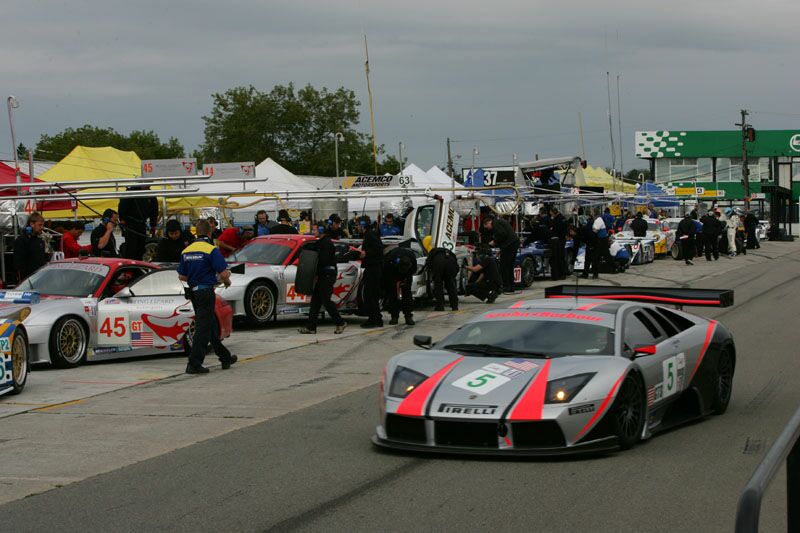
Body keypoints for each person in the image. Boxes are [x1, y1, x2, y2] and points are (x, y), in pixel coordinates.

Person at [177, 219, 236, 374]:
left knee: (208, 326)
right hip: (206, 293)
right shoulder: (211, 250)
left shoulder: (186, 250)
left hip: (194, 293)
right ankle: (194, 364)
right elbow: (223, 273)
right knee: (203, 329)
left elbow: (182, 276)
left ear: (196, 232)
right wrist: (227, 279)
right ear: (210, 232)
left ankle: (225, 357)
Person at [298, 221, 348, 335]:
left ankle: (340, 322)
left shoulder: (326, 244)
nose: (313, 231)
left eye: (315, 229)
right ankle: (311, 327)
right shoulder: (320, 243)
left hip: (327, 276)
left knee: (326, 300)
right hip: (323, 276)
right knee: (315, 302)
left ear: (321, 230)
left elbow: (323, 261)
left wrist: (313, 267)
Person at [482, 215, 519, 293]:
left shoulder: (495, 224)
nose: (488, 228)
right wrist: (502, 249)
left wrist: (494, 241)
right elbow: (505, 235)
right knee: (510, 266)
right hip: (512, 244)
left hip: (510, 245)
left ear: (489, 222)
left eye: (487, 226)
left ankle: (507, 286)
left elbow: (503, 234)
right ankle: (511, 286)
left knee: (504, 266)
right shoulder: (498, 222)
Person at [118, 188, 158, 260]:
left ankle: (140, 265)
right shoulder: (131, 191)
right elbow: (122, 208)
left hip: (142, 224)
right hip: (130, 224)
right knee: (131, 249)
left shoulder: (151, 195)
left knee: (141, 249)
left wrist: (153, 225)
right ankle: (131, 266)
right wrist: (122, 220)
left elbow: (154, 212)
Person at [382, 244, 417, 325]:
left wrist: (405, 280)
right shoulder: (390, 259)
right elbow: (385, 272)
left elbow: (413, 271)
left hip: (407, 274)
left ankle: (408, 316)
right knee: (392, 294)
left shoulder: (412, 258)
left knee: (407, 294)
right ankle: (394, 316)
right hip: (392, 273)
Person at [359, 216, 384, 328]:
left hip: (373, 269)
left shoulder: (370, 234)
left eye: (358, 224)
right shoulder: (369, 234)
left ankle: (374, 319)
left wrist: (366, 253)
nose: (357, 227)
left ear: (363, 225)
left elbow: (378, 248)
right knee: (370, 294)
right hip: (372, 268)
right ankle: (376, 318)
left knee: (370, 295)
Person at [13, 211, 47, 281]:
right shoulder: (22, 240)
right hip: (27, 280)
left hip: (39, 278)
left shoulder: (39, 240)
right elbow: (18, 264)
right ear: (32, 224)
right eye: (40, 225)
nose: (42, 227)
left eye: (42, 225)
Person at [424, 243, 459, 312]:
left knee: (438, 286)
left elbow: (428, 264)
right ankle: (454, 306)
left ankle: (440, 306)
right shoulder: (449, 252)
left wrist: (433, 275)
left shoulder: (432, 253)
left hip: (438, 264)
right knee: (451, 285)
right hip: (451, 263)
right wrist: (452, 276)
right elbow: (456, 266)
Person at [590, 210, 613, 279]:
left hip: (601, 240)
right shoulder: (599, 219)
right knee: (605, 255)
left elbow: (595, 230)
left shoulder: (598, 220)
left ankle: (596, 273)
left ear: (595, 215)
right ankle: (613, 267)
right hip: (603, 240)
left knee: (598, 256)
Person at [549, 207, 568, 280]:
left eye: (552, 214)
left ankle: (562, 273)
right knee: (561, 257)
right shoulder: (563, 218)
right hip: (562, 239)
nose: (551, 215)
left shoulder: (557, 220)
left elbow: (555, 229)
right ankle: (562, 273)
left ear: (554, 213)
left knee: (559, 257)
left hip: (559, 240)